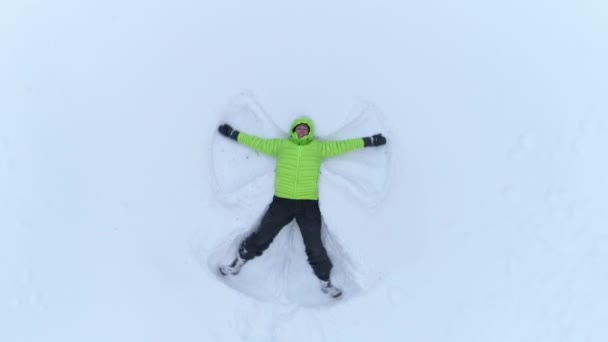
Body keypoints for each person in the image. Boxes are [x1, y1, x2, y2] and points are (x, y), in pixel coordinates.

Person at [216, 116, 386, 298]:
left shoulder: (317, 148)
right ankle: (238, 262)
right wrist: (234, 134)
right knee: (262, 235)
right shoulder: (282, 146)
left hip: (308, 205)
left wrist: (369, 141)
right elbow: (257, 142)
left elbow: (344, 146)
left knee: (314, 245)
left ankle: (325, 281)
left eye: (306, 129)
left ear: (310, 132)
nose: (302, 131)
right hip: (282, 203)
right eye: (299, 128)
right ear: (293, 130)